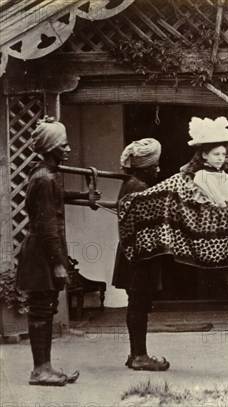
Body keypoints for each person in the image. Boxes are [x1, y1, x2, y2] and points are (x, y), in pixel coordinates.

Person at [17, 116, 99, 386]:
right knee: (41, 309)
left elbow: (59, 196)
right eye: (63, 145)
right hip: (41, 254)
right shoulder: (44, 179)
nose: (68, 149)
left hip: (43, 252)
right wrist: (58, 263)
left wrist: (83, 198)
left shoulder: (45, 174)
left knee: (45, 308)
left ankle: (45, 366)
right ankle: (40, 370)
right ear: (51, 147)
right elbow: (47, 227)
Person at [112, 138, 170, 371]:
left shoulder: (132, 184)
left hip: (133, 253)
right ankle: (139, 356)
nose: (158, 169)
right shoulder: (139, 188)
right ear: (144, 166)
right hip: (139, 255)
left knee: (137, 303)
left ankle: (136, 353)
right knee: (138, 304)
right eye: (154, 165)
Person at [181, 116, 228, 207]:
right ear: (204, 155)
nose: (221, 158)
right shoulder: (201, 176)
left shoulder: (223, 175)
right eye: (216, 154)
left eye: (223, 154)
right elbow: (216, 202)